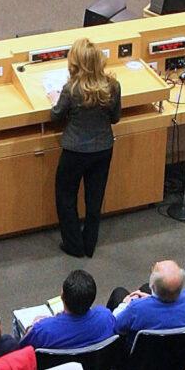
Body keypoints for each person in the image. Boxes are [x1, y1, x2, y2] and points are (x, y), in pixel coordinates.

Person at [47, 38, 121, 258]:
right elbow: (115, 118)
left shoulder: (71, 89)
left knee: (66, 196)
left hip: (75, 152)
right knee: (94, 198)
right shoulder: (112, 86)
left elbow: (55, 116)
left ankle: (73, 245)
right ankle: (89, 244)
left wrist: (53, 99)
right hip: (103, 149)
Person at [19, 270, 116, 350]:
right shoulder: (106, 316)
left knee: (18, 323)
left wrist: (31, 327)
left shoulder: (43, 329)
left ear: (62, 296)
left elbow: (22, 349)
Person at [108, 260, 185, 339]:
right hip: (180, 350)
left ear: (152, 285)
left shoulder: (136, 309)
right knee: (144, 287)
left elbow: (117, 326)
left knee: (119, 292)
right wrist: (149, 299)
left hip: (142, 355)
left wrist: (124, 304)